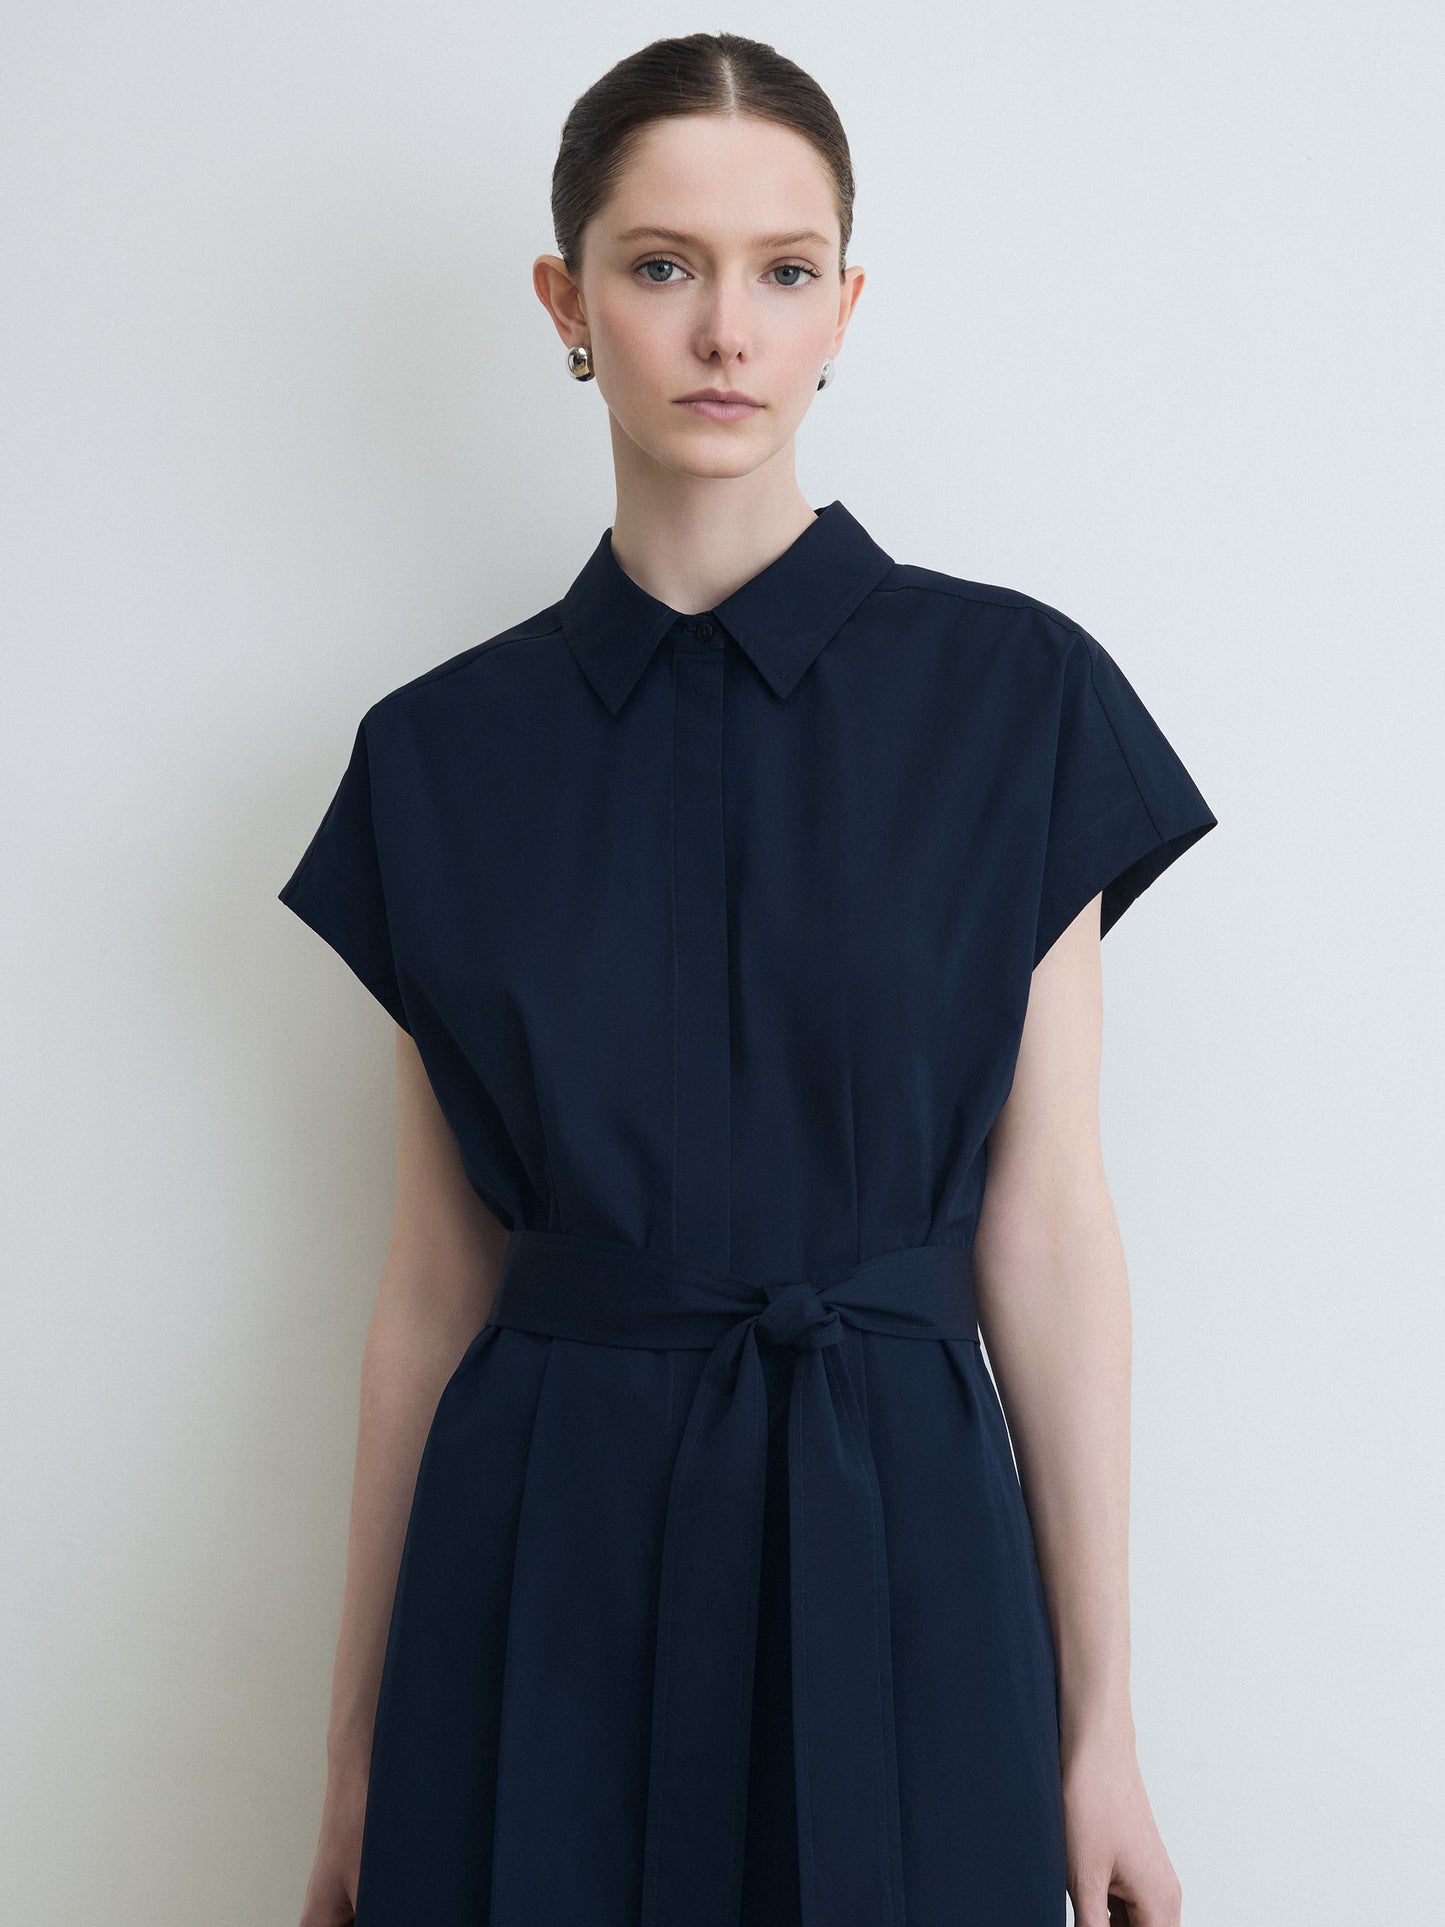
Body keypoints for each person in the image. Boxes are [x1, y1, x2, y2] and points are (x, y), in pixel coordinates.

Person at [281, 31, 1215, 1927]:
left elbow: (1043, 1235)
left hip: (905, 1550)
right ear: (567, 301)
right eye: (660, 265)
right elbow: (434, 1282)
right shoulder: (435, 759)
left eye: (783, 272)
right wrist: (357, 1766)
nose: (726, 330)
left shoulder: (1014, 702)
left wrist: (1103, 1725)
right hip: (540, 1564)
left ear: (843, 308)